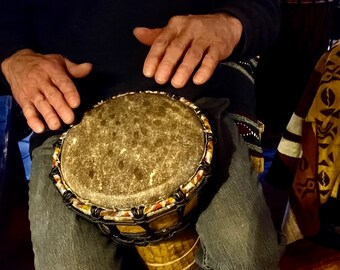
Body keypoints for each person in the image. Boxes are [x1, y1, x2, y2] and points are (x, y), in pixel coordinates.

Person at [0, 1, 283, 269]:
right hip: (67, 120)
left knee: (248, 258)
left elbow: (264, 8)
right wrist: (15, 58)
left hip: (194, 104)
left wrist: (229, 24)